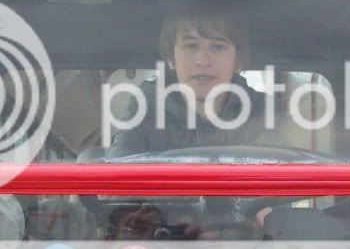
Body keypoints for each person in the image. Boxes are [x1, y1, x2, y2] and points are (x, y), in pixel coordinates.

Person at [106, 11, 270, 158]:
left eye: (218, 47)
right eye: (191, 46)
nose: (203, 60)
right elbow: (112, 184)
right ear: (171, 58)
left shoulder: (266, 112)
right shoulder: (146, 108)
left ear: (238, 60)